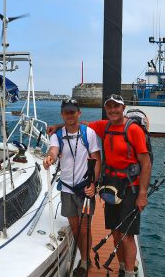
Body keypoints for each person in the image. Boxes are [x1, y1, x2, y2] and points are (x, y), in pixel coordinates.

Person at [48, 94, 152, 277]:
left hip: (130, 188)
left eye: (116, 107)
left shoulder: (133, 130)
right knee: (116, 232)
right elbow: (78, 124)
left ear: (123, 107)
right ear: (106, 110)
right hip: (111, 186)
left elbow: (146, 163)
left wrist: (142, 193)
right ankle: (121, 267)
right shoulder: (105, 126)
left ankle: (129, 272)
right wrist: (57, 127)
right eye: (109, 107)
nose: (113, 110)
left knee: (127, 235)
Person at [43, 98, 101, 277]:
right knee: (75, 228)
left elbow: (97, 159)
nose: (70, 115)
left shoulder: (88, 133)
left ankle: (84, 261)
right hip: (67, 188)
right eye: (66, 112)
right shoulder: (57, 135)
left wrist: (94, 183)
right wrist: (50, 158)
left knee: (85, 228)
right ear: (62, 114)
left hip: (85, 189)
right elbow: (53, 149)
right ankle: (83, 255)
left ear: (79, 113)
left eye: (73, 111)